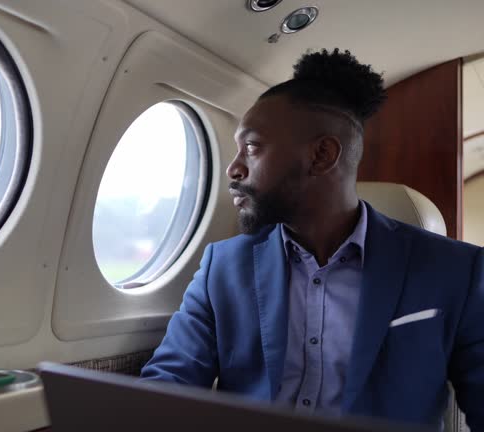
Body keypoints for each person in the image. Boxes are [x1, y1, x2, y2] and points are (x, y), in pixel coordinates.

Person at [139, 48, 484, 430]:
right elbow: (167, 388)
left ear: (321, 155)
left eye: (252, 147)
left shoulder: (455, 271)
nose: (234, 169)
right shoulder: (222, 266)